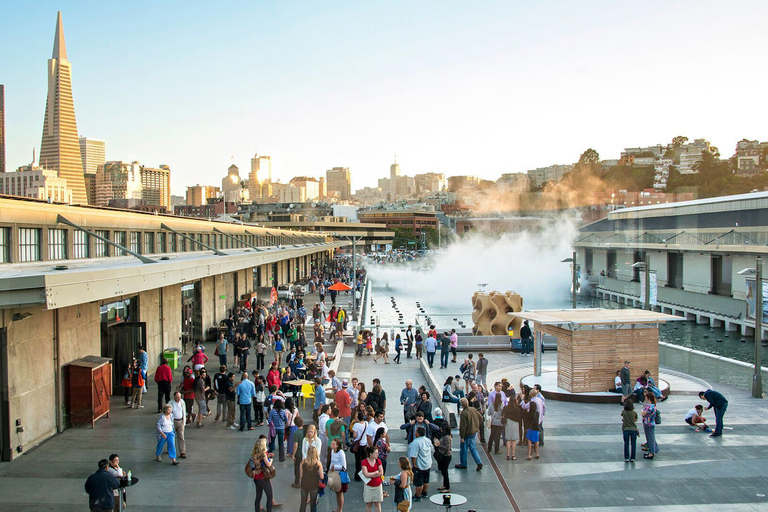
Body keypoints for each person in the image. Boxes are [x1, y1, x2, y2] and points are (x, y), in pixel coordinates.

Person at [455, 397, 483, 471]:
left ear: (462, 405)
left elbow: (463, 426)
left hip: (467, 433)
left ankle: (463, 464)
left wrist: (462, 437)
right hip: (474, 432)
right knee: (473, 448)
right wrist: (477, 425)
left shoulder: (464, 413)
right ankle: (479, 462)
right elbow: (481, 418)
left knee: (463, 449)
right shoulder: (473, 409)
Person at [408, 426, 433, 502]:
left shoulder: (416, 442)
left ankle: (418, 496)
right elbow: (431, 450)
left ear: (418, 433)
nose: (415, 433)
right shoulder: (428, 440)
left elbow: (413, 455)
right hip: (428, 463)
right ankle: (425, 493)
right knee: (426, 480)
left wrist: (413, 464)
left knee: (419, 482)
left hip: (419, 465)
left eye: (416, 431)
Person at [251, 438, 276, 512]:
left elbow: (252, 463)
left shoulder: (254, 453)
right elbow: (268, 464)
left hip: (256, 477)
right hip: (263, 477)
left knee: (258, 496)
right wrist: (271, 460)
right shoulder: (263, 454)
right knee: (269, 496)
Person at [299, 446, 323, 512]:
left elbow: (301, 475)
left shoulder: (303, 462)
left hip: (304, 484)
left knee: (303, 503)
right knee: (313, 504)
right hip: (314, 485)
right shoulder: (318, 463)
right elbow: (322, 477)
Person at [328, 438, 349, 512]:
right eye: (332, 444)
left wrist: (335, 467)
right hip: (334, 474)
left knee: (340, 493)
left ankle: (340, 509)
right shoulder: (332, 451)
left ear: (337, 445)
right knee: (337, 492)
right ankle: (338, 508)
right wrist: (330, 470)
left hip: (339, 474)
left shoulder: (341, 453)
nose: (332, 445)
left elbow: (344, 466)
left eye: (333, 444)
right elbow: (331, 461)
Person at [362, 446, 384, 512]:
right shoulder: (364, 462)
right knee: (368, 503)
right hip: (368, 485)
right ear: (371, 454)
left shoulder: (378, 461)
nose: (378, 454)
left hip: (377, 485)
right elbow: (366, 474)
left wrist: (370, 475)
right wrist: (375, 473)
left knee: (377, 503)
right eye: (376, 453)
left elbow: (381, 473)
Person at [502, 396, 522, 460]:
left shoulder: (505, 408)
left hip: (508, 423)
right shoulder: (517, 409)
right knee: (513, 440)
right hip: (515, 424)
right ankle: (513, 455)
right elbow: (519, 418)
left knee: (508, 439)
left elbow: (502, 414)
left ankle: (507, 455)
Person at [434, 422, 452, 492]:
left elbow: (447, 447)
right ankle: (445, 485)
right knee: (444, 471)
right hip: (445, 455)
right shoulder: (445, 436)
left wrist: (439, 445)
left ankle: (447, 487)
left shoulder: (447, 437)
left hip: (446, 456)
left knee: (445, 471)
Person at [641, 392, 659, 459]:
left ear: (648, 398)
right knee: (651, 437)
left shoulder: (649, 406)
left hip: (648, 424)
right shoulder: (653, 405)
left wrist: (642, 410)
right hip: (651, 423)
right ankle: (654, 450)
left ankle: (651, 453)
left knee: (650, 438)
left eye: (646, 397)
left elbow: (643, 414)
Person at [170, 391, 187, 458]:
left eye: (180, 397)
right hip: (173, 421)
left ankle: (182, 451)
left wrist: (184, 422)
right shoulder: (171, 403)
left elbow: (184, 412)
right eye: (177, 397)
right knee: (171, 437)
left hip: (180, 421)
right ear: (174, 397)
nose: (179, 399)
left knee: (181, 436)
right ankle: (170, 449)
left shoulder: (182, 402)